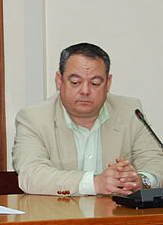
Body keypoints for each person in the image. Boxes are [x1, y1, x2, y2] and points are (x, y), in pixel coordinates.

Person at [12, 42, 163, 196]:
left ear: (108, 83)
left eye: (95, 83)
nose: (85, 91)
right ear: (59, 80)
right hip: (60, 215)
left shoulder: (130, 111)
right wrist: (95, 183)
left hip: (117, 216)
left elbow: (154, 160)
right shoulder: (33, 118)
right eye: (75, 82)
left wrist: (140, 181)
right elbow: (31, 175)